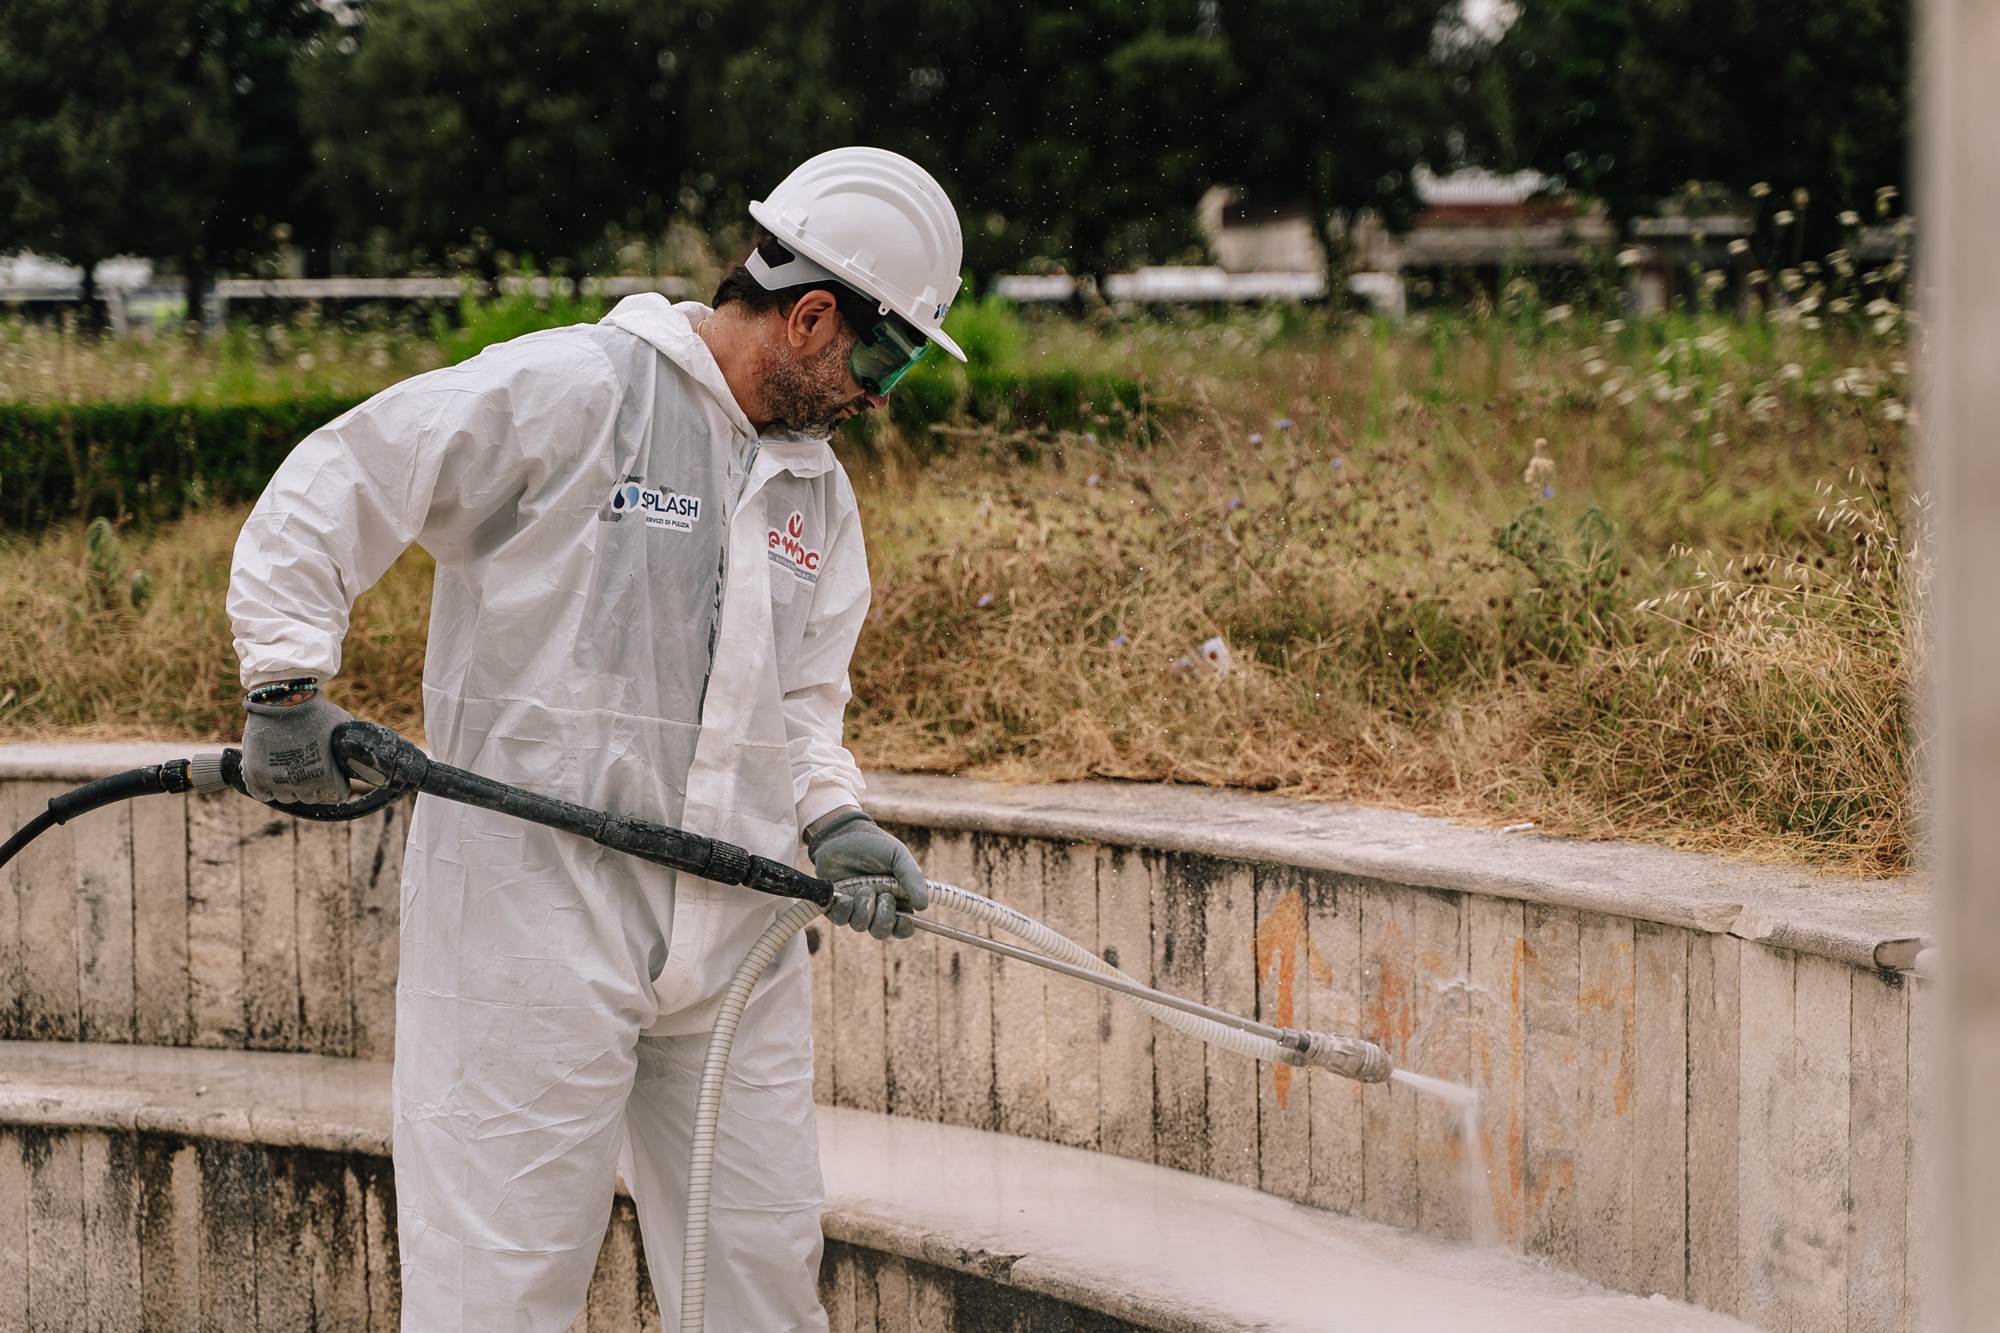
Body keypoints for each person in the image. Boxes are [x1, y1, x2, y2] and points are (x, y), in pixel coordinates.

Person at [227, 146, 965, 1332]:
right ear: (812, 313)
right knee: (498, 1291)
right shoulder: (575, 390)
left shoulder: (813, 497)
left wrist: (833, 817)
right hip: (535, 926)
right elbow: (342, 478)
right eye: (883, 356)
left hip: (736, 934)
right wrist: (283, 682)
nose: (881, 393)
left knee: (760, 1285)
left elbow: (800, 705)